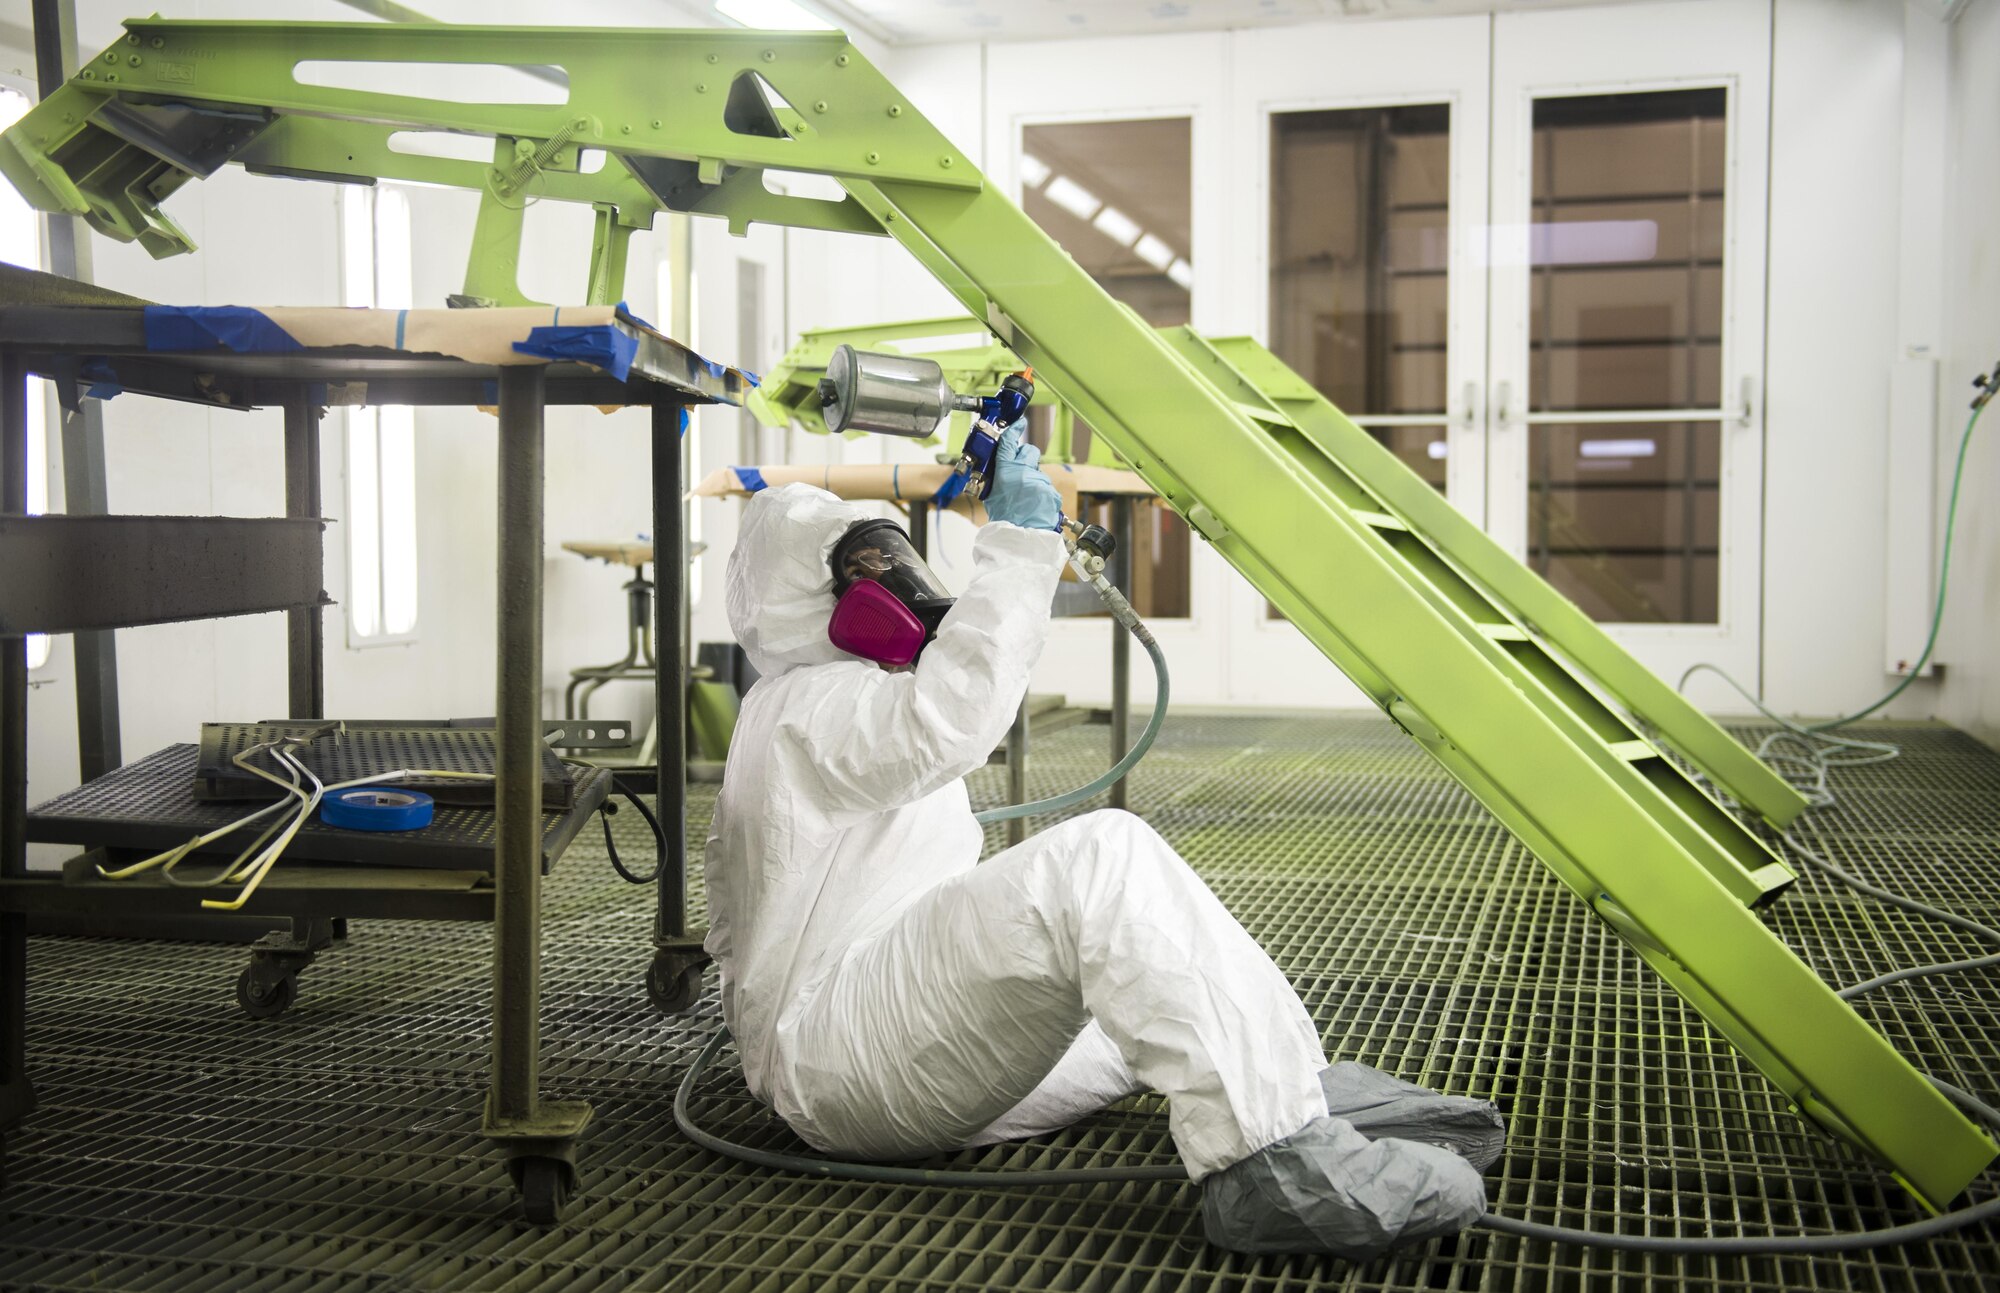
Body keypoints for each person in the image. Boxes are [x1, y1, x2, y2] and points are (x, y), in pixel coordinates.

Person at [704, 424, 1502, 1259]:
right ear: (810, 600)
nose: (899, 585)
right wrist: (1015, 546)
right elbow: (953, 717)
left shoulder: (817, 699)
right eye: (867, 572)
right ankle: (1277, 1167)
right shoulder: (811, 706)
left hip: (864, 1035)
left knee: (1141, 977)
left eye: (894, 561)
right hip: (846, 1054)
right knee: (1100, 858)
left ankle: (1289, 1099)